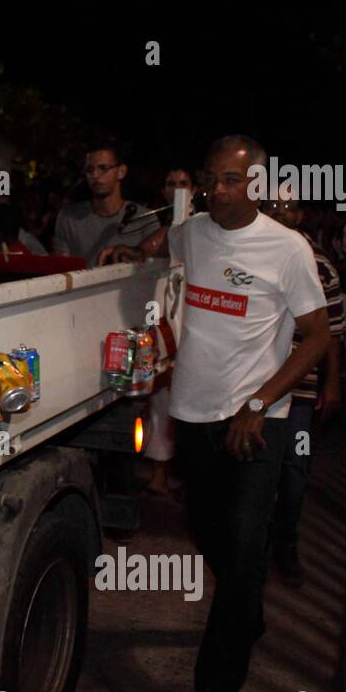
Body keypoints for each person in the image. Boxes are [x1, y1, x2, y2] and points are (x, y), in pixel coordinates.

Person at [100, 135, 331, 692]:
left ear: (255, 185)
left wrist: (259, 403)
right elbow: (163, 244)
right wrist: (133, 247)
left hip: (256, 426)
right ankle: (246, 609)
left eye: (231, 180)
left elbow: (316, 336)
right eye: (211, 179)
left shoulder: (288, 249)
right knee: (215, 543)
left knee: (243, 554)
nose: (217, 190)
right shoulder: (195, 231)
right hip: (192, 418)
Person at [261, 190, 346, 585]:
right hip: (258, 387)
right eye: (274, 208)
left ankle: (286, 546)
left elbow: (333, 334)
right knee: (256, 465)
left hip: (301, 393)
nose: (282, 215)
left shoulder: (321, 266)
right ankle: (252, 546)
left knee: (295, 467)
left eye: (289, 209)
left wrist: (332, 384)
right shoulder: (255, 256)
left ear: (301, 215)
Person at [142, 165, 198, 496]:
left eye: (184, 183)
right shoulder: (154, 225)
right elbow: (148, 250)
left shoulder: (206, 226)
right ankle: (159, 474)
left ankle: (191, 478)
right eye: (170, 183)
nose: (177, 188)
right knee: (162, 400)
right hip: (166, 321)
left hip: (200, 325)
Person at [52, 141, 159, 266]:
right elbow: (60, 268)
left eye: (103, 168)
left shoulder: (144, 218)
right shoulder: (69, 217)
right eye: (89, 169)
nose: (95, 175)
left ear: (121, 171)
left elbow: (155, 265)